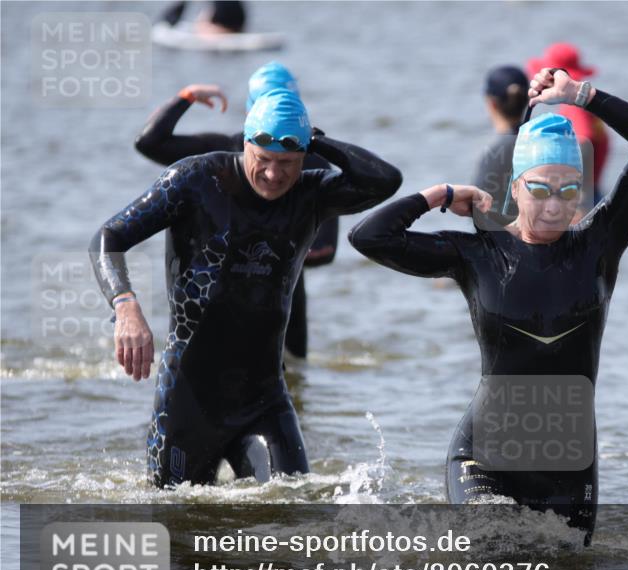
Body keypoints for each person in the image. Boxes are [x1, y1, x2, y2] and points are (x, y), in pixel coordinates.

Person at [349, 69, 628, 543]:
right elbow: (368, 237)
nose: (554, 206)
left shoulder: (599, 246)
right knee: (491, 557)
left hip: (569, 463)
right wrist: (438, 195)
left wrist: (582, 96)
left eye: (569, 191)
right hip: (484, 455)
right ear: (516, 187)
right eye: (541, 189)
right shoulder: (478, 254)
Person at [91, 89, 402, 487]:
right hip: (188, 400)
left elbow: (385, 180)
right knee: (175, 523)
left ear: (305, 156)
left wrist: (316, 139)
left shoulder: (312, 195)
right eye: (264, 160)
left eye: (287, 162)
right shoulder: (196, 179)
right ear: (245, 144)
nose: (274, 175)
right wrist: (125, 306)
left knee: (293, 509)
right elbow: (110, 236)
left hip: (264, 399)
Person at [134, 61, 336, 358]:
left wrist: (277, 252)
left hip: (283, 290)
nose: (273, 172)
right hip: (225, 289)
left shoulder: (314, 162)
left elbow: (327, 250)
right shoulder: (222, 154)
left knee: (293, 373)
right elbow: (149, 143)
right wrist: (187, 96)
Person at [527, 43, 609, 206]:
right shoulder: (586, 106)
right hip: (593, 192)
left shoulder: (573, 109)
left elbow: (584, 142)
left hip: (581, 198)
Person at [472, 65, 529, 224]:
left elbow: (477, 212)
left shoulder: (494, 152)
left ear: (491, 103)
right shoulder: (538, 142)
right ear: (527, 101)